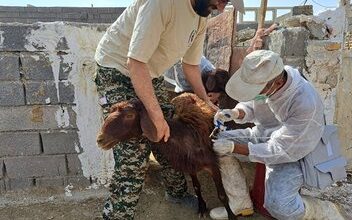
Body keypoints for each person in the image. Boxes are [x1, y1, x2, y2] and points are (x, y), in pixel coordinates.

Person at [93, 0, 245, 219]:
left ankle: (177, 193)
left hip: (149, 72)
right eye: (221, 0)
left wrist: (206, 101)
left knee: (169, 135)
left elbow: (191, 65)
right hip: (117, 69)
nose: (222, 8)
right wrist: (156, 117)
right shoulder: (163, 3)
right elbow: (135, 63)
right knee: (133, 157)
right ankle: (117, 216)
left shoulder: (201, 16)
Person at [210, 50, 344, 219]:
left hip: (295, 153)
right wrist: (237, 112)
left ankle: (321, 210)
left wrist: (234, 147)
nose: (255, 93)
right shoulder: (268, 78)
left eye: (257, 89)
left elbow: (281, 150)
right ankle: (240, 204)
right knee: (218, 143)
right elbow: (252, 102)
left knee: (279, 206)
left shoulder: (304, 102)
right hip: (264, 134)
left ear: (278, 83)